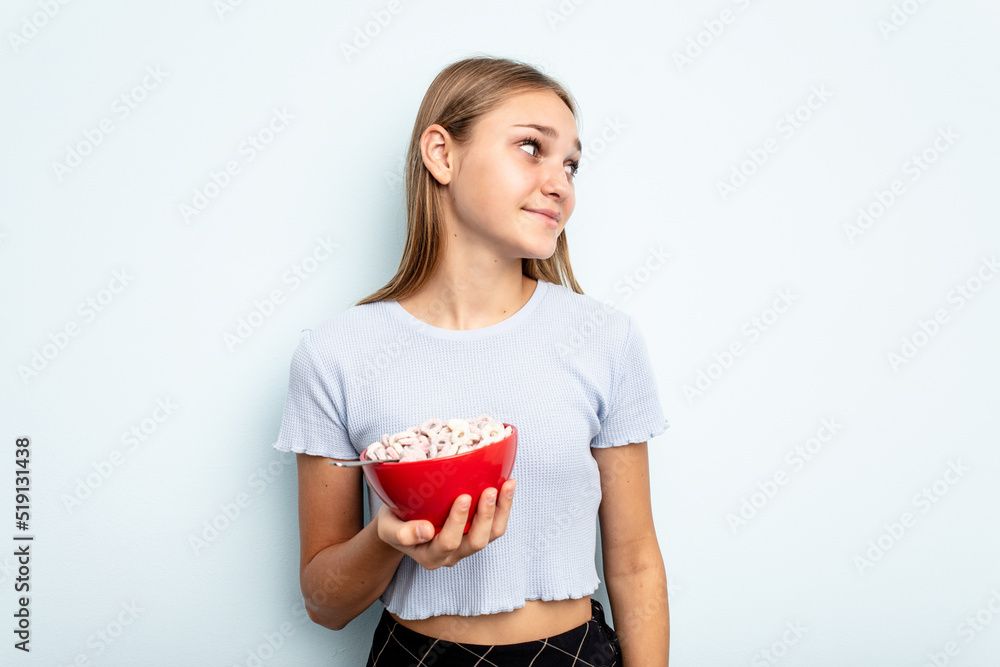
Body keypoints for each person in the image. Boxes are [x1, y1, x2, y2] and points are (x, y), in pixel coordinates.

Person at [272, 55, 670, 666]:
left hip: (576, 654)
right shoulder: (337, 354)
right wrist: (387, 537)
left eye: (571, 163)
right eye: (531, 148)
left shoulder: (604, 338)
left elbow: (636, 559)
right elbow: (325, 604)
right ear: (442, 154)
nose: (560, 182)